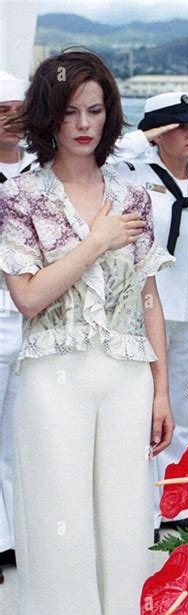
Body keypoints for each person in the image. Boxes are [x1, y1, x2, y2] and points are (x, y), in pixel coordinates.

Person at [0, 51, 175, 615]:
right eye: (70, 110)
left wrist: (163, 386)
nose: (83, 123)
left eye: (96, 110)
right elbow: (31, 295)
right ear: (48, 114)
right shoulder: (19, 195)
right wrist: (96, 240)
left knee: (128, 538)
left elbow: (150, 292)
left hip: (128, 374)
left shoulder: (134, 192)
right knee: (59, 540)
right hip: (53, 380)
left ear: (111, 115)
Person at [111, 92, 188, 535]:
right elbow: (96, 158)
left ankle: (172, 509)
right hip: (147, 309)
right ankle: (139, 508)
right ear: (156, 133)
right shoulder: (131, 174)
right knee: (140, 411)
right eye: (177, 125)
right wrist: (140, 138)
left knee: (181, 410)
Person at [0, 71, 36, 583]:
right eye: (0, 108)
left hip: (35, 319)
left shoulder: (41, 174)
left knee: (22, 437)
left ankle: (15, 535)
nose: (11, 118)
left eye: (17, 108)